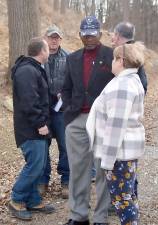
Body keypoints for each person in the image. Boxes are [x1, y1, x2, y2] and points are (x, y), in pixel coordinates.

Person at [86, 42, 145, 225]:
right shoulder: (130, 80)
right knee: (127, 197)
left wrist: (107, 160)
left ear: (121, 60)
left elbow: (115, 127)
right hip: (125, 152)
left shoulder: (122, 85)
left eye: (113, 58)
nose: (111, 62)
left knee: (122, 199)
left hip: (119, 154)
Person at [62, 16, 113, 225]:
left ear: (100, 34)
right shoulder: (72, 58)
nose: (89, 37)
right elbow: (66, 87)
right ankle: (78, 215)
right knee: (78, 170)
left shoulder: (112, 55)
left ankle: (101, 217)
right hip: (77, 120)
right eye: (86, 34)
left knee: (103, 169)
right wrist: (68, 107)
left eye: (93, 33)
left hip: (103, 120)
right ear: (80, 35)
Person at [9, 37, 55, 221]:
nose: (49, 52)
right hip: (30, 129)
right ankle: (16, 199)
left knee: (40, 165)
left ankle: (33, 200)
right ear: (41, 51)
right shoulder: (27, 71)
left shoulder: (34, 69)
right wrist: (40, 123)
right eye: (47, 49)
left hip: (37, 129)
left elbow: (41, 96)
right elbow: (29, 102)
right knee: (34, 166)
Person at [38, 25, 70, 199]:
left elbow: (73, 82)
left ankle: (66, 180)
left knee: (65, 145)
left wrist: (64, 94)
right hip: (43, 109)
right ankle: (43, 180)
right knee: (43, 145)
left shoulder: (68, 57)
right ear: (45, 38)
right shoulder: (39, 57)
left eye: (57, 37)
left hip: (60, 109)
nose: (54, 40)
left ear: (61, 39)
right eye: (51, 37)